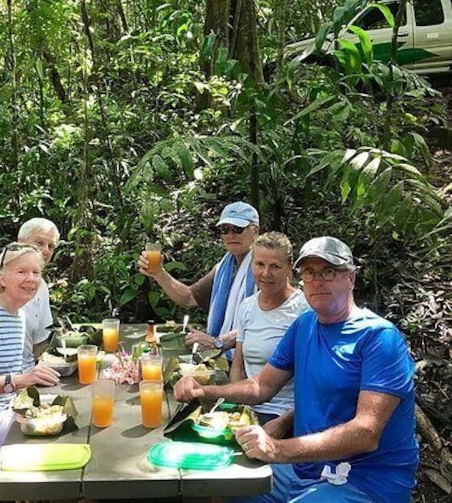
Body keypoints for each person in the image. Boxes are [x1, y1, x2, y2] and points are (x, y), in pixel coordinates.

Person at [174, 236, 418, 503]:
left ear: (351, 278)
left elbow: (366, 433)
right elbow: (261, 386)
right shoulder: (305, 325)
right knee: (217, 485)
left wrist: (278, 449)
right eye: (310, 273)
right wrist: (204, 390)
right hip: (307, 469)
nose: (317, 281)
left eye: (328, 272)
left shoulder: (379, 338)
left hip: (365, 483)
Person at [0, 243, 61, 465]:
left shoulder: (18, 313)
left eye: (36, 272)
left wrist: (33, 374)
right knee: (48, 450)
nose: (31, 278)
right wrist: (22, 379)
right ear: (2, 279)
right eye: (22, 271)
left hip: (11, 405)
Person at [138, 201, 259, 359]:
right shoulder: (223, 268)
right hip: (223, 358)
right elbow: (188, 297)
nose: (230, 235)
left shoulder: (264, 268)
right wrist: (159, 273)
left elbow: (261, 321)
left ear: (255, 230)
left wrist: (217, 342)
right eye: (225, 229)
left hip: (253, 363)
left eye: (237, 229)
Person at [232, 232, 308, 426]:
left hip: (286, 415)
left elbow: (316, 381)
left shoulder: (304, 311)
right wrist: (237, 409)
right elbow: (238, 366)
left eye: (275, 266)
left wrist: (285, 423)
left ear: (290, 268)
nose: (266, 274)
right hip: (249, 410)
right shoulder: (247, 307)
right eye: (259, 264)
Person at [0, 217, 60, 371]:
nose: (46, 250)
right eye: (39, 242)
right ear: (20, 241)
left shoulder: (40, 285)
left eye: (51, 246)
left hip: (25, 376)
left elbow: (40, 340)